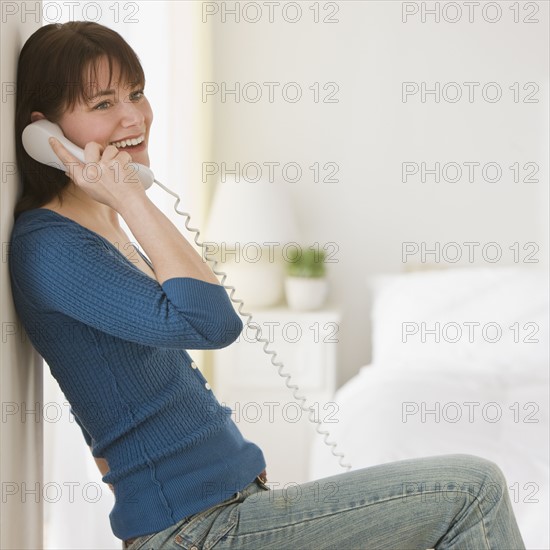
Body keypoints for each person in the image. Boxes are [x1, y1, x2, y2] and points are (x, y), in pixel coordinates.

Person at [10, 21, 526, 550]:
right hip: (196, 529)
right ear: (44, 132)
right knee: (472, 489)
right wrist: (132, 198)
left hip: (225, 512)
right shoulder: (51, 245)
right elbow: (212, 322)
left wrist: (123, 203)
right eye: (103, 104)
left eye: (137, 93)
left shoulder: (100, 225)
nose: (134, 116)